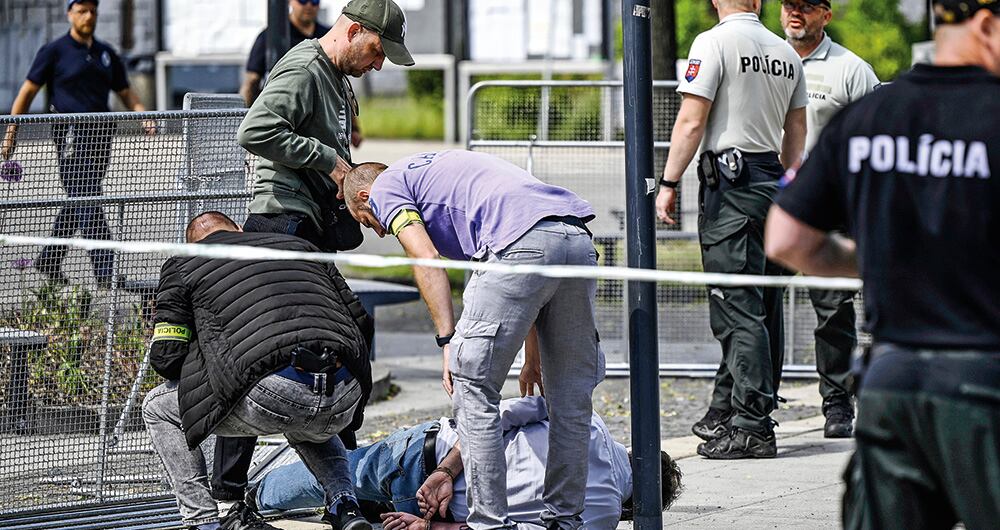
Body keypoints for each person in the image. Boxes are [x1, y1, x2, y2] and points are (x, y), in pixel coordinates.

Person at [765, 1, 1000, 527]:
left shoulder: (869, 118)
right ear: (985, 25)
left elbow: (784, 238)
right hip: (982, 380)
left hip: (893, 384)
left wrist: (875, 262)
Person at [343, 150, 602, 529]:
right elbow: (530, 284)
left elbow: (426, 258)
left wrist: (447, 340)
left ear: (365, 198)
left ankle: (488, 524)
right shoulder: (434, 175)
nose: (376, 230)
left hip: (519, 243)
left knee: (472, 386)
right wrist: (533, 359)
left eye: (364, 221)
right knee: (569, 399)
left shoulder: (386, 188)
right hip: (574, 237)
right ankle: (564, 522)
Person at [228, 0, 412, 504]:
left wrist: (354, 192)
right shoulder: (307, 66)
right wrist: (331, 162)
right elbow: (254, 130)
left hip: (308, 226)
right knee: (267, 350)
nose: (379, 64)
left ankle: (345, 481)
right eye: (377, 51)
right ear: (353, 31)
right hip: (279, 223)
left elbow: (332, 158)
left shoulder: (337, 81)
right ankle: (229, 493)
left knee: (348, 335)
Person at [142, 211, 375, 530]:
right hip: (345, 391)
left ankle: (202, 521)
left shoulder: (184, 264)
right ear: (238, 229)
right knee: (306, 408)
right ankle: (345, 506)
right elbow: (362, 321)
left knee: (157, 408)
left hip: (274, 393)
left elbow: (166, 356)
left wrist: (208, 361)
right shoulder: (300, 248)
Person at [654, 0, 807, 459]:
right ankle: (733, 411)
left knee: (736, 308)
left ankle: (752, 425)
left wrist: (667, 183)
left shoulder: (713, 42)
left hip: (731, 189)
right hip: (771, 185)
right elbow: (796, 130)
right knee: (763, 305)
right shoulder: (785, 52)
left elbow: (691, 120)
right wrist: (787, 180)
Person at [250, 396, 683, 530]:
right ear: (633, 509)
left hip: (431, 453)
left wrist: (446, 471)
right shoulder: (603, 517)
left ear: (634, 452)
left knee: (339, 476)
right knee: (346, 506)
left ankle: (250, 497)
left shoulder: (586, 421)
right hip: (435, 512)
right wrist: (429, 527)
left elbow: (496, 416)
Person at [780, 0, 880, 439]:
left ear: (826, 15)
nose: (794, 14)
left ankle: (838, 403)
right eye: (787, 6)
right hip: (770, 200)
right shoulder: (770, 59)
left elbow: (878, 137)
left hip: (828, 208)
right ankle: (753, 408)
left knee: (832, 312)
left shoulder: (851, 69)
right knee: (754, 310)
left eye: (804, 7)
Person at [1, 0, 150, 288]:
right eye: (82, 10)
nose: (88, 16)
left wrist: (145, 117)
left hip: (101, 135)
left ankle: (49, 259)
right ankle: (106, 271)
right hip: (70, 135)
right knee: (88, 197)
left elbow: (126, 92)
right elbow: (27, 91)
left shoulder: (105, 54)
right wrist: (11, 132)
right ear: (70, 14)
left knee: (80, 198)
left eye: (93, 10)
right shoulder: (54, 51)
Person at [240, 0, 363, 148]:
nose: (309, 6)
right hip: (286, 119)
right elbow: (251, 82)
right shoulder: (270, 36)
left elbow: (340, 86)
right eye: (303, 0)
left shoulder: (327, 36)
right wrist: (244, 121)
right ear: (290, 2)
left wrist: (354, 128)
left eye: (315, 1)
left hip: (321, 122)